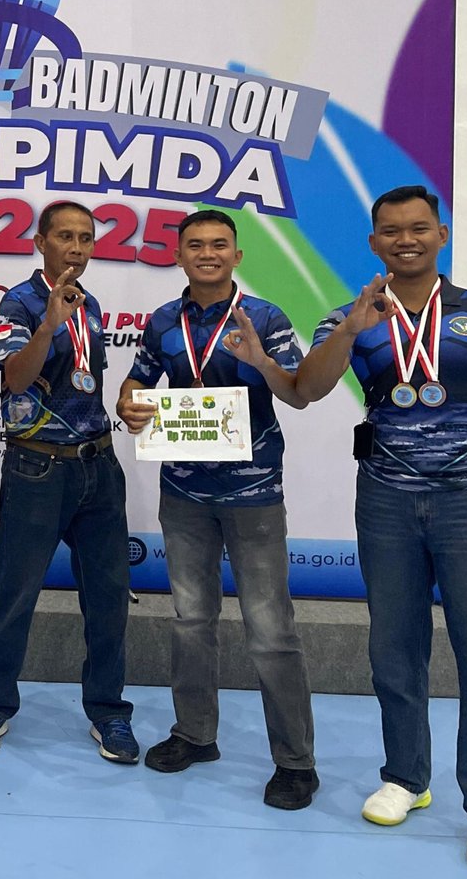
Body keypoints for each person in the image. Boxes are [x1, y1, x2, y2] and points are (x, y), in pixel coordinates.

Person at [296, 184, 467, 873]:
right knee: (393, 647)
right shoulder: (349, 316)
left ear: (440, 234)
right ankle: (406, 776)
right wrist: (350, 328)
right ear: (373, 242)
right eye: (391, 231)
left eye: (418, 228)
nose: (405, 240)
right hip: (385, 502)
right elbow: (308, 389)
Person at [115, 209, 318, 809]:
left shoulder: (265, 318)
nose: (208, 253)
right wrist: (129, 403)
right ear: (178, 255)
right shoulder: (163, 320)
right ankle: (195, 734)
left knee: (270, 630)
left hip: (253, 495)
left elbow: (298, 393)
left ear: (237, 255)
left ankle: (296, 762)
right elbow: (137, 382)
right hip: (183, 493)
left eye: (219, 244)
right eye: (196, 245)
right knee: (190, 620)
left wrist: (259, 359)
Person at [0, 201, 136, 762]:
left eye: (86, 238)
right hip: (37, 468)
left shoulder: (92, 304)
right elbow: (14, 380)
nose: (77, 248)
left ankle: (109, 712)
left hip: (98, 467)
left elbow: (85, 384)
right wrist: (49, 325)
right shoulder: (19, 302)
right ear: (41, 242)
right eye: (65, 236)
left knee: (108, 598)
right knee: (15, 594)